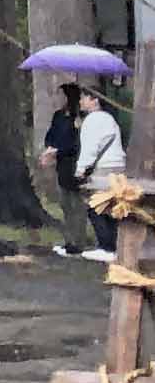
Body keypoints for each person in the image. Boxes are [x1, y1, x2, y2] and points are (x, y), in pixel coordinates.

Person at [75, 83, 129, 260]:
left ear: (94, 100)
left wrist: (80, 170)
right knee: (112, 206)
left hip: (103, 169)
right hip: (118, 167)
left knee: (95, 205)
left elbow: (90, 148)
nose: (81, 101)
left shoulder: (92, 120)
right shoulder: (109, 119)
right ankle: (114, 246)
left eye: (84, 98)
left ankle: (106, 247)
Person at [51, 87, 95, 258]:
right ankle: (69, 240)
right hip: (62, 165)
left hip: (76, 164)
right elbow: (52, 135)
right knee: (65, 203)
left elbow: (77, 144)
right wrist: (50, 148)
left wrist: (77, 129)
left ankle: (79, 241)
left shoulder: (82, 119)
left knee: (77, 205)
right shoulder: (59, 116)